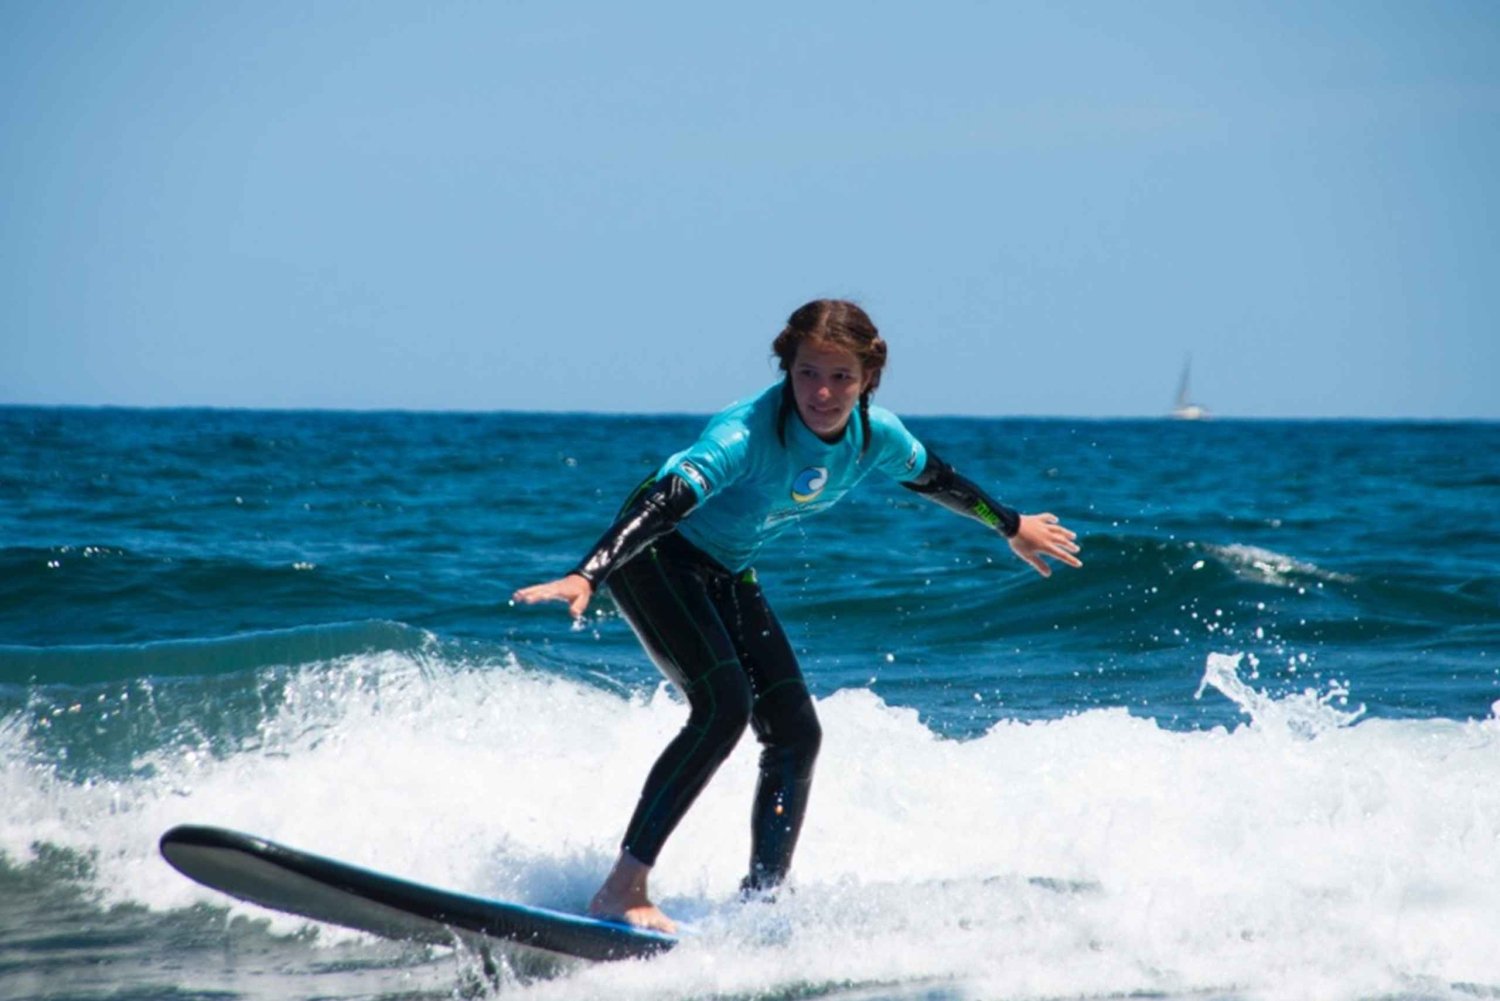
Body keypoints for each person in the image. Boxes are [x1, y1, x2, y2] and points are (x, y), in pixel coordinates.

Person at [512, 299, 1081, 933]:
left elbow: (938, 479)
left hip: (730, 566)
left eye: (841, 376)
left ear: (868, 378)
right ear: (789, 368)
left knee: (795, 734)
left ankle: (763, 908)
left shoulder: (876, 435)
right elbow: (665, 501)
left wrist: (1011, 526)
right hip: (655, 558)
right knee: (722, 707)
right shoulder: (747, 434)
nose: (823, 391)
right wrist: (587, 572)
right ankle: (623, 888)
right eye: (808, 372)